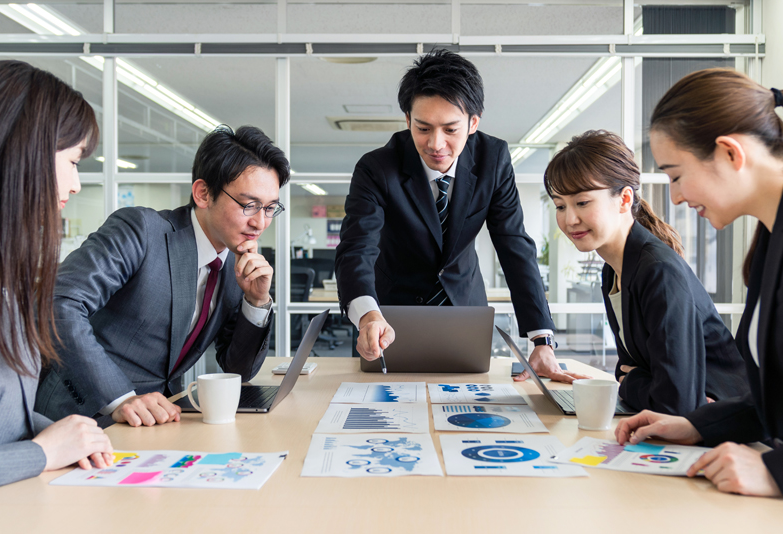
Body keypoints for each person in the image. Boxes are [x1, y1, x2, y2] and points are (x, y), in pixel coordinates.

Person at [335, 49, 586, 383]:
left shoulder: (493, 159)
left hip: (464, 314)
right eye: (422, 128)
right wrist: (367, 315)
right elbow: (356, 248)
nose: (436, 144)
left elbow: (514, 246)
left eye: (450, 129)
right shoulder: (377, 168)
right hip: (387, 319)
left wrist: (541, 339)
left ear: (473, 123)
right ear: (407, 120)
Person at [36, 125, 289, 427]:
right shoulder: (141, 231)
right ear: (203, 193)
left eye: (270, 207)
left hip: (161, 422)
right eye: (249, 205)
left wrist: (256, 300)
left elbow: (239, 369)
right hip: (82, 417)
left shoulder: (237, 265)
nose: (261, 222)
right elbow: (59, 304)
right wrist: (121, 397)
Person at [615, 68, 783, 498]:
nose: (673, 198)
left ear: (730, 152)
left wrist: (775, 472)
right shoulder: (767, 242)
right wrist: (694, 425)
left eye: (674, 174)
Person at [545, 130, 749, 414]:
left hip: (722, 429)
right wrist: (635, 379)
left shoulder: (657, 271)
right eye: (559, 206)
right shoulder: (614, 270)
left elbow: (673, 401)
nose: (570, 219)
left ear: (624, 199)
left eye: (582, 202)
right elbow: (626, 368)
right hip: (675, 426)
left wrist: (631, 383)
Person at [0, 60, 114, 492]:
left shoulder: (2, 276)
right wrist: (42, 452)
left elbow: (3, 416)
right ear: (27, 154)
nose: (76, 184)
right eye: (73, 161)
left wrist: (72, 436)